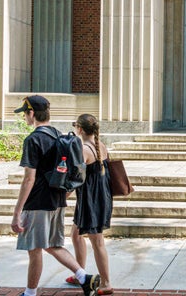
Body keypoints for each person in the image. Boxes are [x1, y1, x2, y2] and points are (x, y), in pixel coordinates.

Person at [11, 96, 100, 296]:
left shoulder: (33, 139)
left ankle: (30, 293)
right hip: (57, 200)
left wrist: (17, 213)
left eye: (25, 113)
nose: (25, 117)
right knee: (52, 245)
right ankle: (84, 277)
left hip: (37, 203)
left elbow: (29, 179)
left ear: (32, 113)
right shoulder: (60, 136)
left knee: (34, 249)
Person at [64, 113, 114, 295]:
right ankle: (80, 274)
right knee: (76, 235)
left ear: (80, 129)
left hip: (91, 202)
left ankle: (107, 283)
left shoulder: (83, 149)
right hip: (100, 198)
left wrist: (62, 197)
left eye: (75, 125)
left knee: (97, 241)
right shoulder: (100, 145)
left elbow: (75, 178)